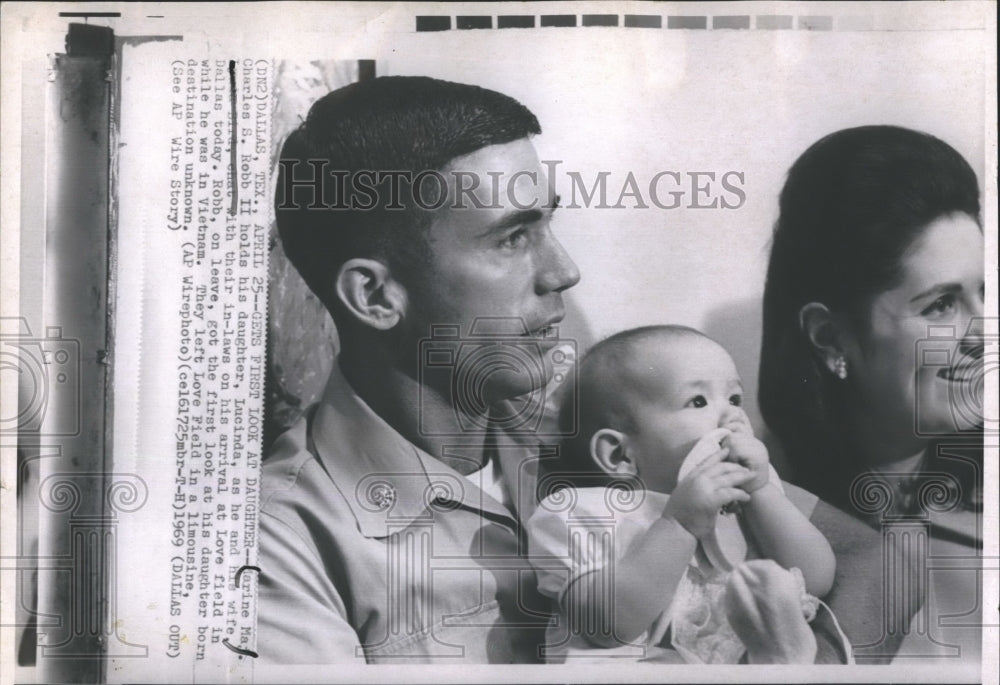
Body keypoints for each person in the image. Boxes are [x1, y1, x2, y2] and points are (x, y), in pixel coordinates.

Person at [257, 75, 581, 663]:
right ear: (376, 296)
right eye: (511, 238)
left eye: (546, 226)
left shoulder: (589, 437)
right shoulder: (281, 548)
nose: (563, 271)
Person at [758, 125, 984, 660]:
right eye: (940, 305)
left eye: (987, 290)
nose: (984, 333)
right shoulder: (756, 517)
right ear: (830, 337)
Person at [528, 326, 839, 664]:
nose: (731, 416)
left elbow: (817, 579)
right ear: (620, 455)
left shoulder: (748, 497)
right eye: (698, 401)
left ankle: (779, 660)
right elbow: (606, 626)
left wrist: (763, 492)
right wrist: (678, 524)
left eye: (734, 398)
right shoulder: (581, 513)